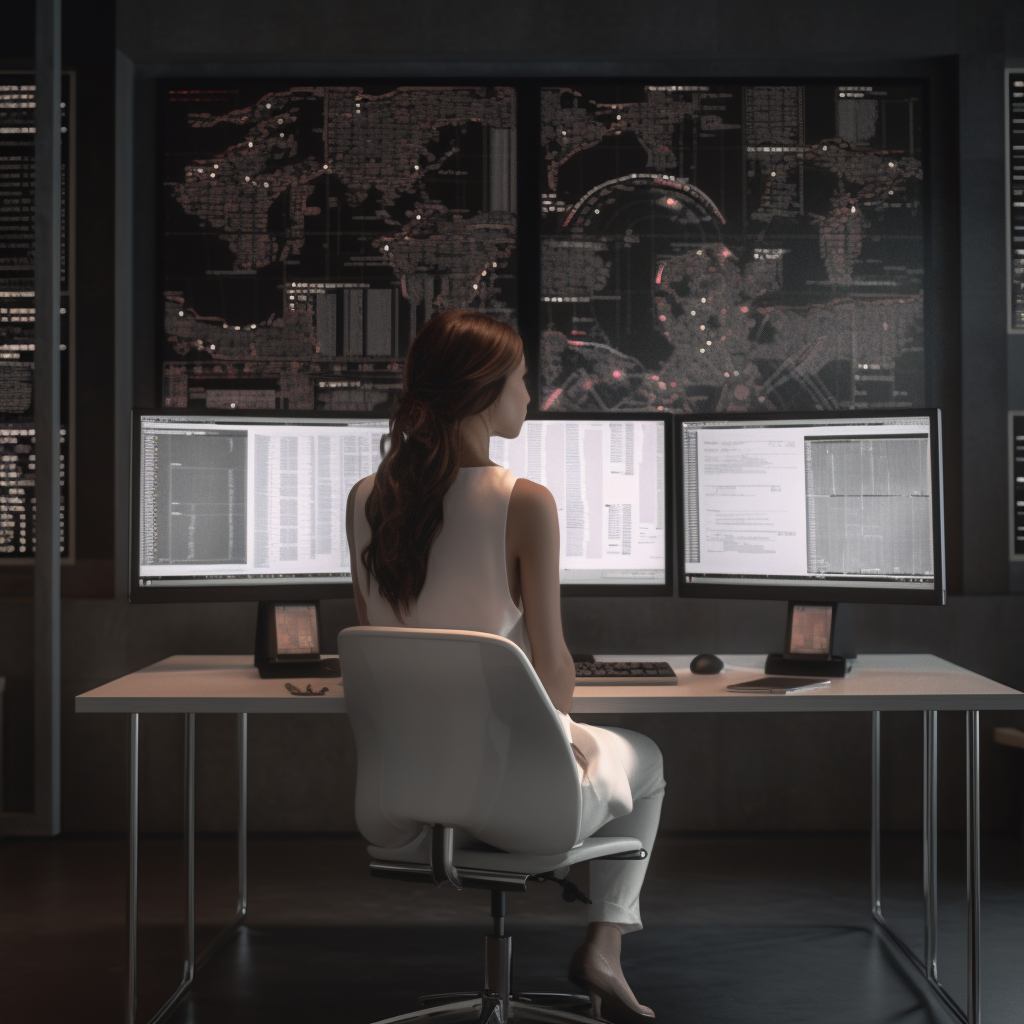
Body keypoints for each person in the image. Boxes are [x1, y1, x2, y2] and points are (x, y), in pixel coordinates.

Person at [346, 309, 665, 1024]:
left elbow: (385, 658)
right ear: (483, 393)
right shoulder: (524, 502)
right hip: (522, 807)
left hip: (407, 804)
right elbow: (553, 680)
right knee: (645, 759)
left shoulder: (366, 501)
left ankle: (601, 951)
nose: (530, 395)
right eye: (522, 381)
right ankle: (604, 949)